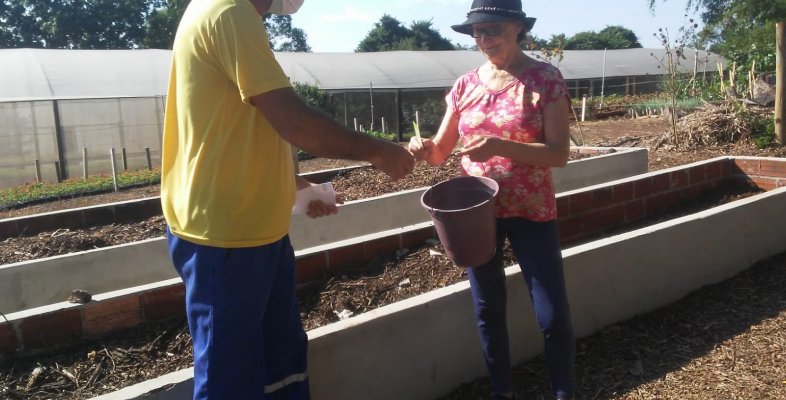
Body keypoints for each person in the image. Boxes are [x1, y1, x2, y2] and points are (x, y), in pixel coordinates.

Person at [160, 0, 415, 398]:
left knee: (279, 364)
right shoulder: (229, 13)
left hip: (254, 232)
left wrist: (297, 188)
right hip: (225, 238)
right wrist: (378, 150)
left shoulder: (229, 14)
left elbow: (243, 128)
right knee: (231, 377)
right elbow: (292, 119)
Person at [408, 0, 575, 399]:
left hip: (531, 210)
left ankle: (564, 391)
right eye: (478, 32)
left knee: (551, 312)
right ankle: (502, 391)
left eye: (493, 29)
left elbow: (558, 155)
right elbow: (439, 153)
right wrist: (421, 146)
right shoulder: (466, 85)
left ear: (518, 27)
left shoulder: (544, 78)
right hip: (477, 215)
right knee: (487, 308)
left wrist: (502, 145)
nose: (484, 39)